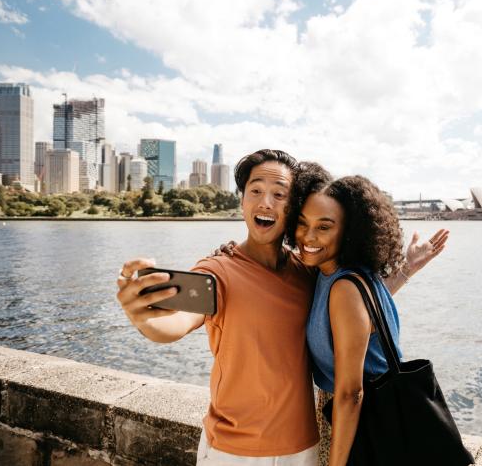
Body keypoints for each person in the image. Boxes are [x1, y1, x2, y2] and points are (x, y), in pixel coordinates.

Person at [115, 150, 446, 465]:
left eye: (279, 194)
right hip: (234, 451)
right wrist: (140, 314)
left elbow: (353, 314)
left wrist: (404, 271)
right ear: (242, 201)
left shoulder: (307, 272)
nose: (265, 202)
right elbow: (175, 323)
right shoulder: (219, 271)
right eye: (255, 190)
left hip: (304, 448)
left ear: (293, 206)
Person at [284, 167, 448, 466]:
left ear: (348, 232)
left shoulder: (343, 287)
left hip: (359, 421)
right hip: (368, 414)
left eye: (324, 227)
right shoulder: (344, 274)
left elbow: (351, 394)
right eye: (301, 223)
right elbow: (365, 318)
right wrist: (407, 269)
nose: (308, 236)